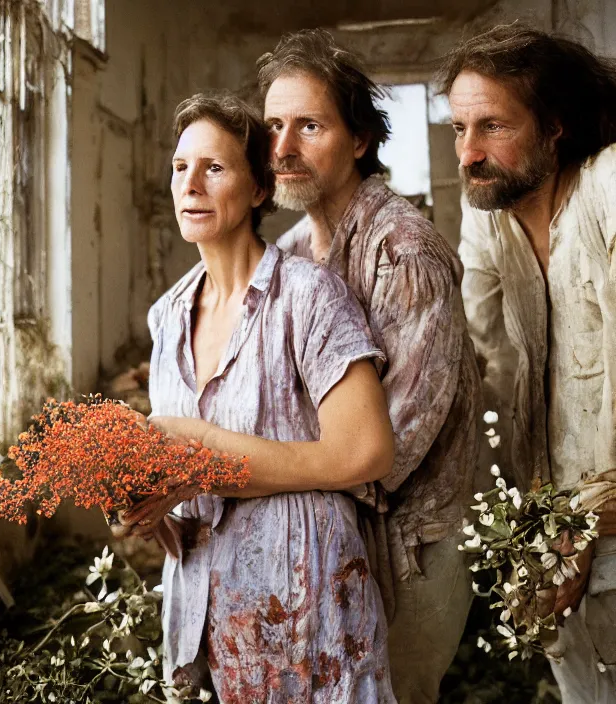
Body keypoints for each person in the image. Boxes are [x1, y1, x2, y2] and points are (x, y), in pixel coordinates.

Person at [117, 92, 398, 703]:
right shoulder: (165, 318)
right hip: (206, 621)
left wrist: (205, 459)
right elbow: (182, 480)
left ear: (260, 190)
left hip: (306, 612)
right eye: (180, 167)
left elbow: (368, 452)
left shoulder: (309, 296)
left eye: (214, 168)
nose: (190, 184)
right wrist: (150, 506)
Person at [257, 29, 482, 703]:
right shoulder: (292, 253)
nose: (283, 148)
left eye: (309, 125)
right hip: (324, 531)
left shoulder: (404, 251)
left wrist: (251, 478)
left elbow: (392, 447)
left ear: (358, 140)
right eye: (273, 125)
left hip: (409, 549)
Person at [439, 23, 616, 703]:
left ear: (555, 127)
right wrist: (521, 527)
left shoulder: (606, 188)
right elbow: (478, 354)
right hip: (553, 522)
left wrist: (584, 521)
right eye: (458, 128)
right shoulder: (489, 212)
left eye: (492, 126)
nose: (469, 152)